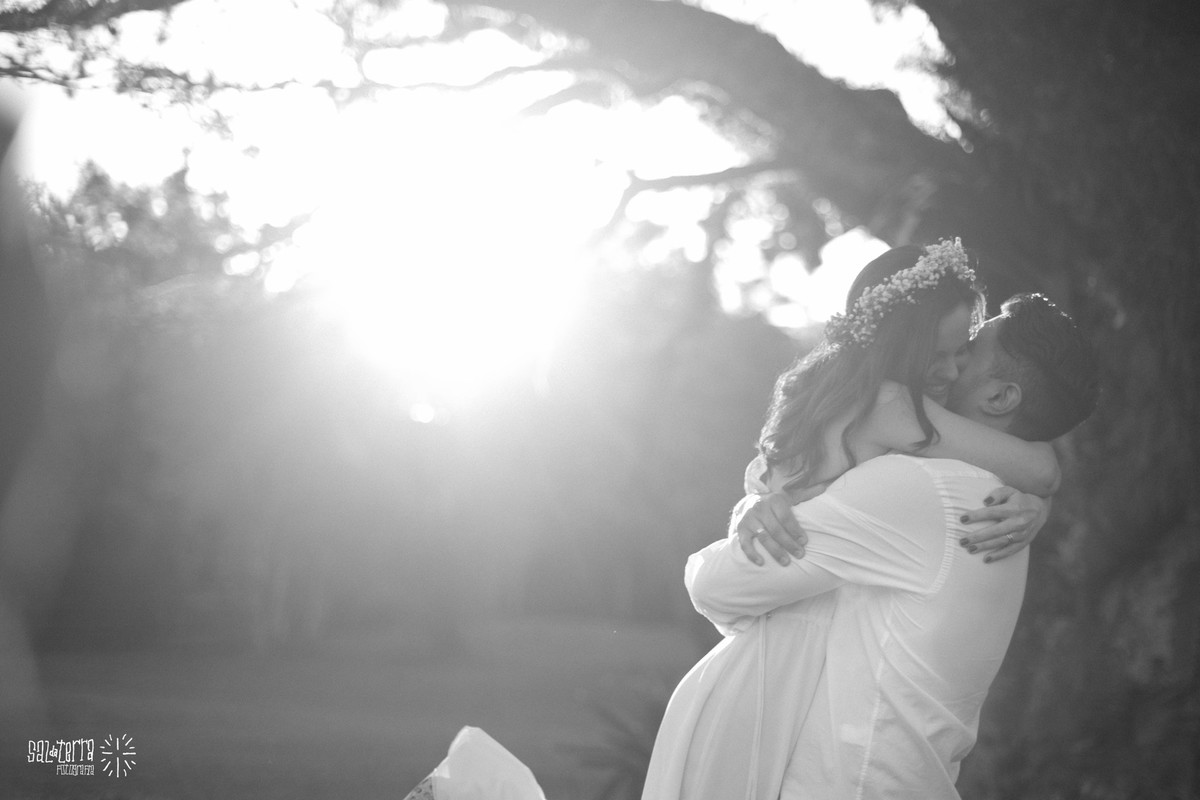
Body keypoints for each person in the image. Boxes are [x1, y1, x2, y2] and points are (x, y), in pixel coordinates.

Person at [641, 240, 1072, 800]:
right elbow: (1037, 464)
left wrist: (750, 508)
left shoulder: (829, 398)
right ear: (899, 342)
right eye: (939, 352)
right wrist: (1036, 496)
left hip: (777, 663)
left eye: (962, 350)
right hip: (771, 674)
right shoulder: (895, 408)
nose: (951, 368)